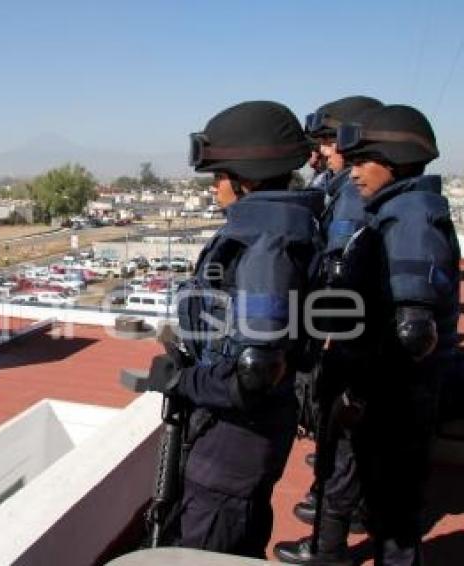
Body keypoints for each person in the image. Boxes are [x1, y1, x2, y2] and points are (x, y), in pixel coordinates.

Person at [166, 100, 323, 558]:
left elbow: (255, 373)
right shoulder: (274, 233)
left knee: (209, 550)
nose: (215, 189)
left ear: (246, 177)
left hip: (234, 447)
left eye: (219, 176)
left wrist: (181, 380)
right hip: (242, 443)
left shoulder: (265, 251)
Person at [335, 105, 459, 565]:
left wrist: (361, 381)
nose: (351, 174)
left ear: (396, 160)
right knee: (390, 510)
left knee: (396, 522)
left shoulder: (408, 218)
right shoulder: (400, 210)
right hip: (396, 392)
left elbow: (412, 332)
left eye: (362, 162)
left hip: (399, 398)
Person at [277, 95, 384, 565]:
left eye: (329, 142)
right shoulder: (346, 190)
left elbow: (337, 274)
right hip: (346, 332)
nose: (320, 153)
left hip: (344, 337)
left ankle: (331, 538)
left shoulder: (350, 199)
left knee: (341, 436)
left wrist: (324, 337)